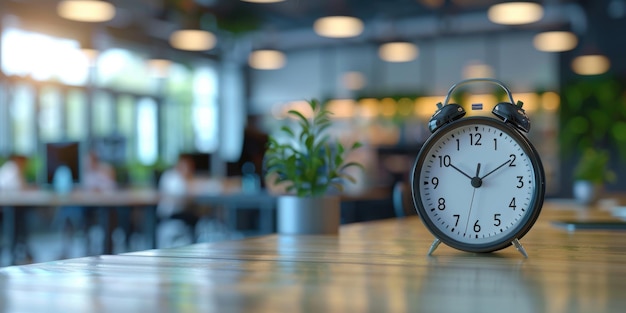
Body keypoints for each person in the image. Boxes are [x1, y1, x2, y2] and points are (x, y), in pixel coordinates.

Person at [156, 154, 199, 246]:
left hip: (180, 214)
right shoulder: (172, 178)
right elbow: (185, 194)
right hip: (171, 215)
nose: (190, 169)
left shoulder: (181, 178)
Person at [0, 154, 34, 264]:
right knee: (18, 223)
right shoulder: (12, 168)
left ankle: (21, 251)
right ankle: (17, 252)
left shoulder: (12, 168)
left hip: (11, 206)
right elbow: (20, 188)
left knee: (21, 220)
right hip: (7, 207)